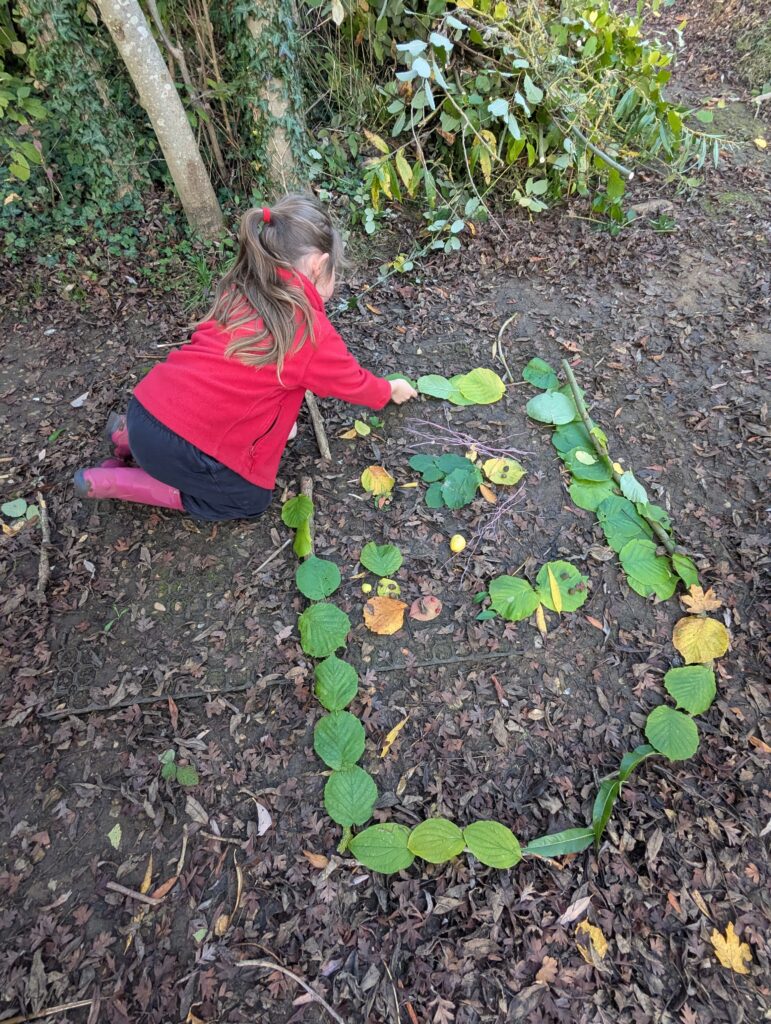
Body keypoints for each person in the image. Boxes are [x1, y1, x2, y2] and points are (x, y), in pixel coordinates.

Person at [74, 194, 417, 521]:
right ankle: (116, 483)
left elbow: (236, 377)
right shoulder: (308, 332)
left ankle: (126, 438)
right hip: (180, 449)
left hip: (144, 410)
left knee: (175, 439)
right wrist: (389, 390)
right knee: (248, 499)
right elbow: (352, 383)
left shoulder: (242, 289)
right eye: (335, 272)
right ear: (318, 264)